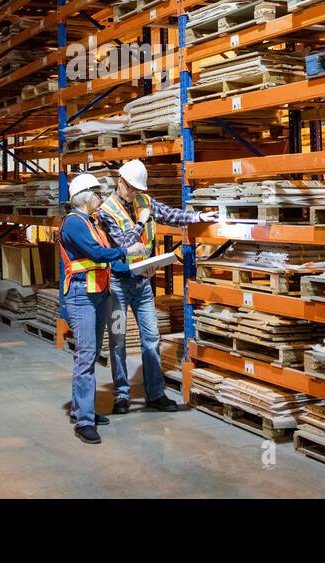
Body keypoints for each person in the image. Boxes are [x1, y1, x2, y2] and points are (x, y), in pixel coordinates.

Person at [95, 159, 217, 414]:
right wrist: (141, 222)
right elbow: (124, 245)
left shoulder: (145, 202)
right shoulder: (106, 211)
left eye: (139, 190)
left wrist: (198, 216)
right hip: (118, 285)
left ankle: (155, 393)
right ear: (120, 183)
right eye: (132, 189)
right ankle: (121, 395)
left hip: (142, 284)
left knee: (151, 338)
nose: (135, 194)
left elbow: (172, 215)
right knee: (118, 341)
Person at [58, 172, 129, 444]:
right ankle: (84, 421)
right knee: (86, 357)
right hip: (81, 295)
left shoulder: (92, 222)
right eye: (98, 194)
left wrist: (135, 267)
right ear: (86, 196)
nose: (101, 198)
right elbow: (98, 254)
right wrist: (125, 251)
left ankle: (82, 408)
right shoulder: (74, 223)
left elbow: (104, 259)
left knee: (92, 353)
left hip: (98, 292)